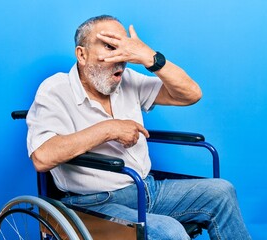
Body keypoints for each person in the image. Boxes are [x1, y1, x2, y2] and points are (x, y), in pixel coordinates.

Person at [26, 15, 251, 240]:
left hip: (147, 189)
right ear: (82, 54)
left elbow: (190, 94)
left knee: (221, 192)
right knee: (169, 231)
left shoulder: (127, 80)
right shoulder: (55, 89)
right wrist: (109, 129)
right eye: (110, 47)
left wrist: (149, 58)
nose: (121, 57)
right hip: (95, 202)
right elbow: (42, 157)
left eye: (124, 48)